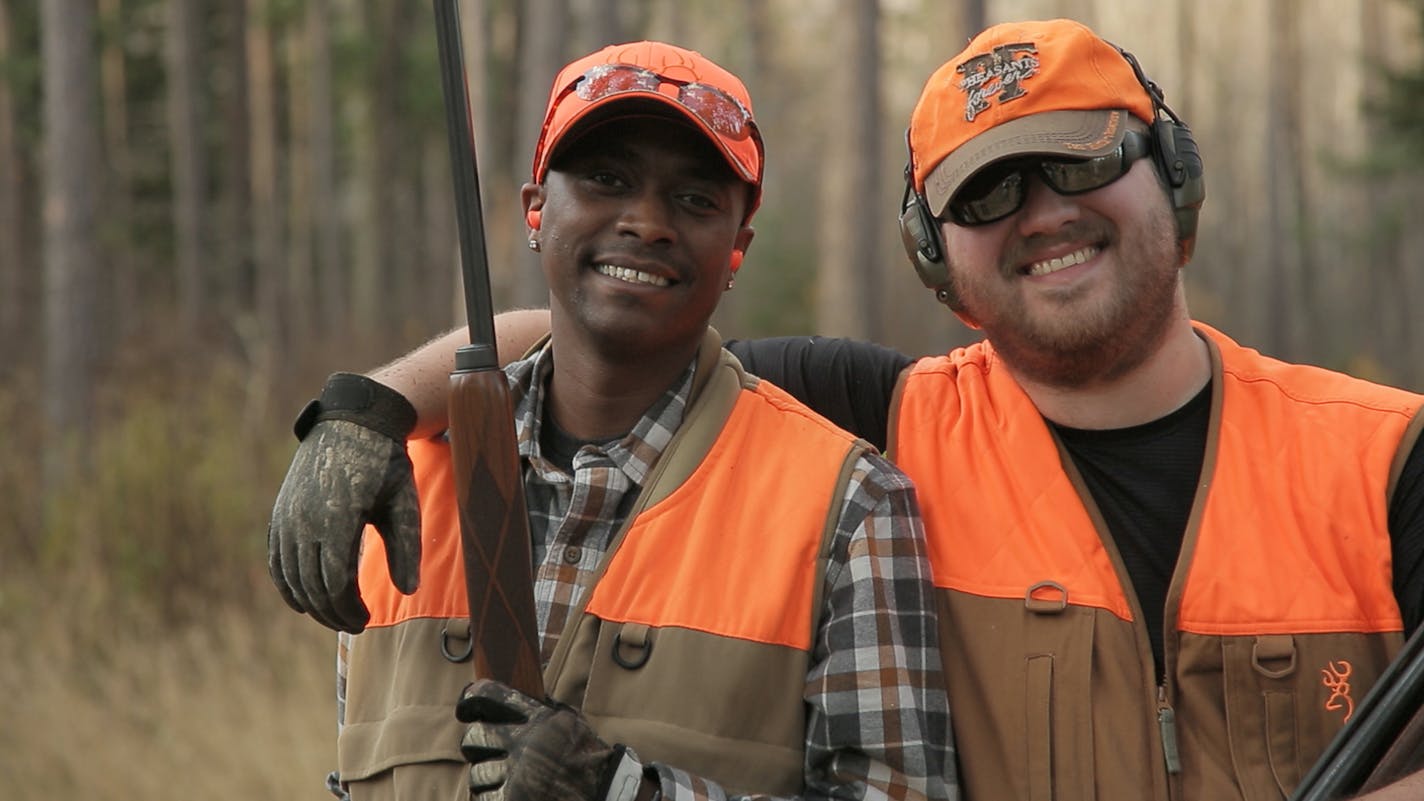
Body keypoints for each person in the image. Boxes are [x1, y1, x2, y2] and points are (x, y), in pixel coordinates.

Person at [278, 19, 1424, 801]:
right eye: (986, 191)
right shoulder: (884, 419)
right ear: (937, 258)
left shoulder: (1383, 455)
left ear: (1169, 177)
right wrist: (370, 410)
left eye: (1076, 165)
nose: (1039, 214)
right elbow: (606, 333)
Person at [267, 40, 954, 801]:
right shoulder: (400, 487)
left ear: (737, 252)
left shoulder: (850, 507)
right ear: (535, 211)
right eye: (606, 179)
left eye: (694, 199)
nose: (647, 221)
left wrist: (625, 792)